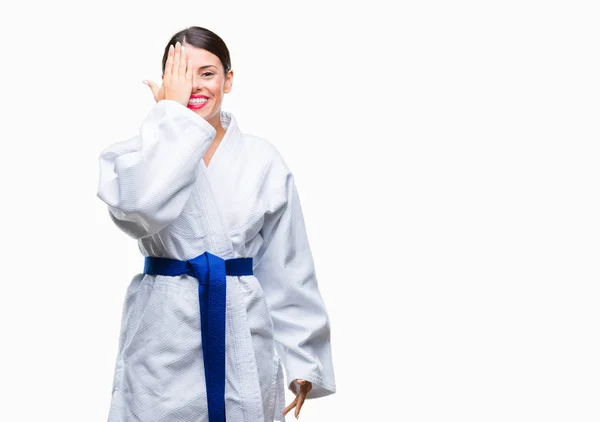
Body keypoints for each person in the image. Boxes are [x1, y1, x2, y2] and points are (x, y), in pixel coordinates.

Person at [96, 26, 336, 422]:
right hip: (164, 329)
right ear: (166, 83)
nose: (195, 85)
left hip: (243, 325)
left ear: (228, 79)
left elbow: (287, 265)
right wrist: (169, 121)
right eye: (182, 74)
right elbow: (142, 211)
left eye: (207, 73)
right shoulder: (134, 154)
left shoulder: (263, 158)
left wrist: (303, 362)